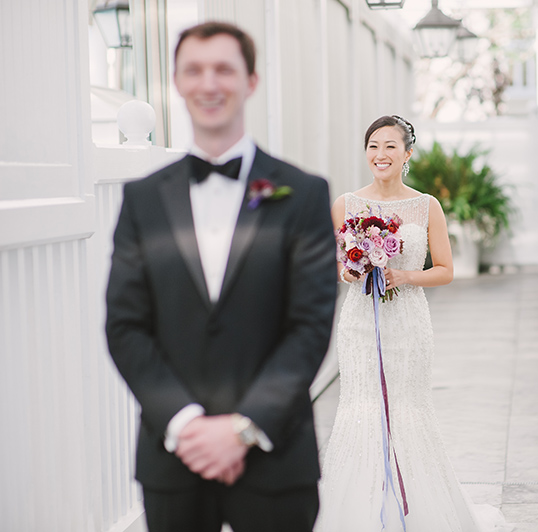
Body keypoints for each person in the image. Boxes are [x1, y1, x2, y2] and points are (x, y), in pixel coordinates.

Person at [105, 22, 337, 532]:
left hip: (275, 456)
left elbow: (310, 325)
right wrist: (186, 423)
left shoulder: (302, 194)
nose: (209, 84)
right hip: (174, 457)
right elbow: (125, 326)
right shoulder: (142, 200)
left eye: (224, 69)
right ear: (177, 82)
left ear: (250, 81)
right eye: (194, 70)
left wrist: (243, 429)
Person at [315, 115, 509, 531]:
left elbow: (445, 269)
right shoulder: (346, 205)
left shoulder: (426, 206)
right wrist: (348, 270)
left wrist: (405, 276)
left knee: (406, 409)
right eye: (372, 146)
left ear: (407, 154)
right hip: (360, 322)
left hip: (407, 321)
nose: (380, 155)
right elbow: (330, 263)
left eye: (389, 146)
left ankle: (416, 510)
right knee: (361, 407)